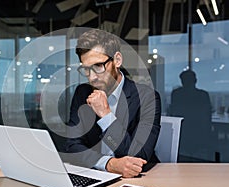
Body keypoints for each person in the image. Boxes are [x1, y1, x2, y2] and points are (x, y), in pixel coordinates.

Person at [62, 29, 161, 178]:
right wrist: (109, 164)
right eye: (86, 69)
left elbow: (138, 155)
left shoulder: (147, 98)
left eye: (98, 66)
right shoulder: (82, 93)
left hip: (136, 181)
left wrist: (106, 116)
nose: (92, 77)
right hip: (95, 174)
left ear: (117, 60)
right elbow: (72, 146)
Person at [169, 70, 212, 160]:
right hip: (199, 132)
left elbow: (172, 112)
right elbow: (208, 116)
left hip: (182, 133)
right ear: (195, 80)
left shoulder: (177, 94)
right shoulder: (203, 95)